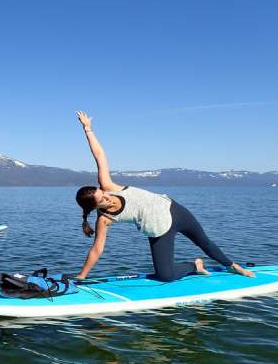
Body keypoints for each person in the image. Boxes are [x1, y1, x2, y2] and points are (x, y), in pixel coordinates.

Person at [73, 111, 253, 281]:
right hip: (158, 231)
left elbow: (99, 155)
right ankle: (195, 265)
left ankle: (232, 266)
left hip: (174, 211)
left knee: (204, 242)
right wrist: (82, 276)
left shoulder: (109, 186)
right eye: (102, 200)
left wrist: (87, 129)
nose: (107, 197)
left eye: (102, 193)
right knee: (165, 276)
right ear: (94, 207)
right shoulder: (104, 219)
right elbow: (97, 249)